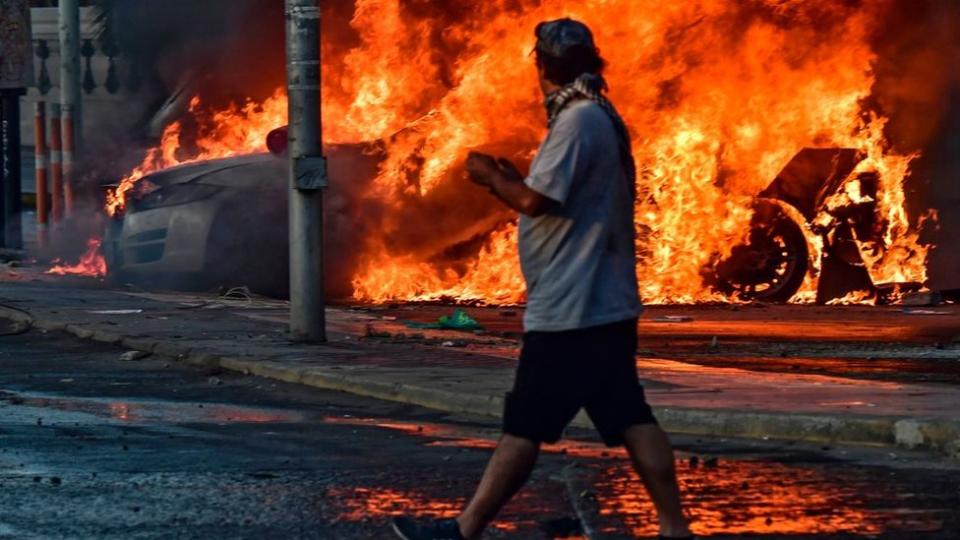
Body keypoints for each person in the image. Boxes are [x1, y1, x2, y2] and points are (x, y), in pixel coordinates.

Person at [392, 18, 693, 540]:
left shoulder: (578, 122)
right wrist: (512, 180)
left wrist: (492, 178)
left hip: (571, 308)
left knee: (525, 426)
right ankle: (674, 528)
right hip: (603, 301)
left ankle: (464, 530)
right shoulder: (597, 115)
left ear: (541, 66)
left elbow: (536, 200)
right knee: (629, 414)